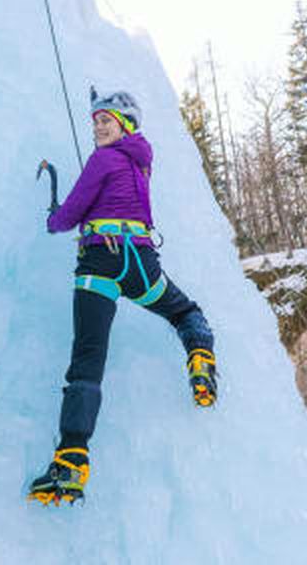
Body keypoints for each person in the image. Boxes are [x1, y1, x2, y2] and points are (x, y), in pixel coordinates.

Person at [27, 88, 217, 506]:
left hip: (100, 265)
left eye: (106, 119)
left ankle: (71, 460)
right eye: (95, 119)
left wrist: (54, 219)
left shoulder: (104, 159)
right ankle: (201, 361)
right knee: (185, 311)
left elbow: (73, 210)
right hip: (141, 264)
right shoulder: (141, 162)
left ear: (125, 124)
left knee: (87, 360)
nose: (97, 125)